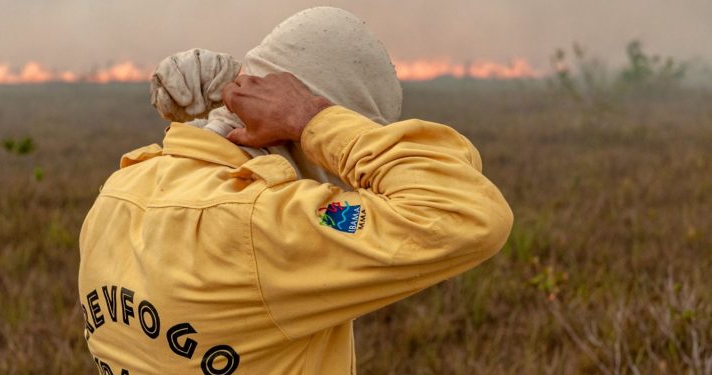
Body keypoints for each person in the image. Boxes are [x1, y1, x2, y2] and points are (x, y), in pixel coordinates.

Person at [78, 6, 513, 375]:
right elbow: (465, 207)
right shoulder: (273, 226)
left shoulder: (119, 188)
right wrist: (314, 119)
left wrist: (235, 90)